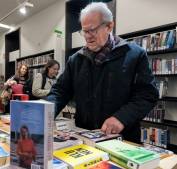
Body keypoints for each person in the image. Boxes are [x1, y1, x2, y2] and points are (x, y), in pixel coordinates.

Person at [47, 2, 159, 143]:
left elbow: (147, 95)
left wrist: (121, 118)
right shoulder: (76, 60)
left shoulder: (135, 55)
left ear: (109, 26)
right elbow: (60, 92)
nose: (87, 36)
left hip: (122, 139)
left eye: (92, 30)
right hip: (84, 138)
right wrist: (44, 112)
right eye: (84, 31)